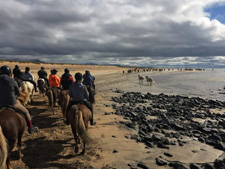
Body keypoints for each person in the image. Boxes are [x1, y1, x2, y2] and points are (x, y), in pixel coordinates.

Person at [0, 66, 39, 134]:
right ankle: (30, 127)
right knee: (26, 112)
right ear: (9, 73)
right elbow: (17, 92)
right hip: (12, 103)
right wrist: (16, 96)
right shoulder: (12, 80)